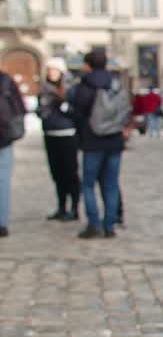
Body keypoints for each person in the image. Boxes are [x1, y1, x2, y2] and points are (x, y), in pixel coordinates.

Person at [68, 47, 125, 239]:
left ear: (87, 65)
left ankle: (93, 223)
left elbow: (78, 112)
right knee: (111, 184)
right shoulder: (116, 83)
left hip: (92, 141)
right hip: (114, 140)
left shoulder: (85, 85)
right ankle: (109, 225)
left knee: (88, 184)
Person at [38, 59, 80, 222]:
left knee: (70, 173)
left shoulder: (70, 88)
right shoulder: (44, 89)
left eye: (55, 70)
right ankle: (61, 206)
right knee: (57, 173)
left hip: (67, 134)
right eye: (49, 70)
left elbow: (75, 112)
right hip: (50, 133)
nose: (51, 73)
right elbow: (41, 109)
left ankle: (74, 208)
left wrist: (62, 103)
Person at [0, 68, 26, 238]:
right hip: (4, 136)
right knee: (3, 182)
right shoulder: (6, 80)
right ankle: (1, 223)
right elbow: (20, 107)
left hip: (4, 137)